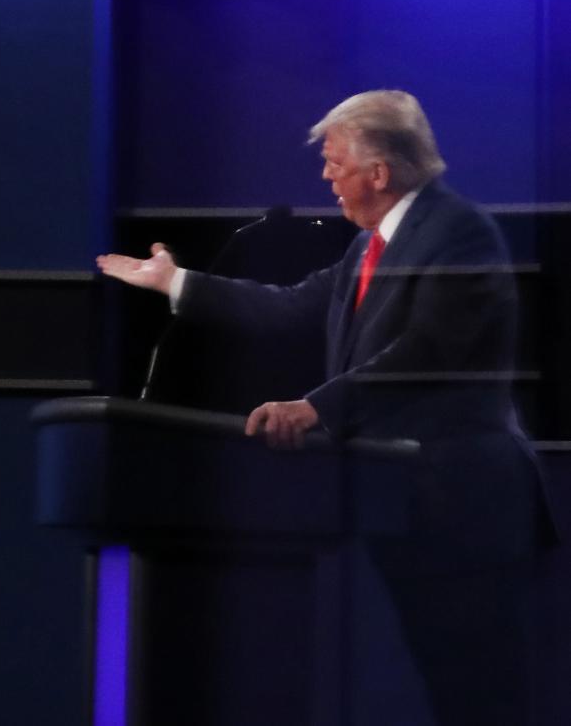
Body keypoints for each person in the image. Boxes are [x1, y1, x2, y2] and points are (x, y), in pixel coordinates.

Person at [97, 90, 550, 724]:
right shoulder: (368, 248)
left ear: (378, 173)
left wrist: (316, 409)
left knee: (481, 694)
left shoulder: (458, 231)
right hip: (405, 506)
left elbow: (427, 352)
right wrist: (175, 282)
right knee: (440, 689)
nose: (326, 178)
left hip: (466, 505)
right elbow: (288, 306)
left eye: (335, 164)